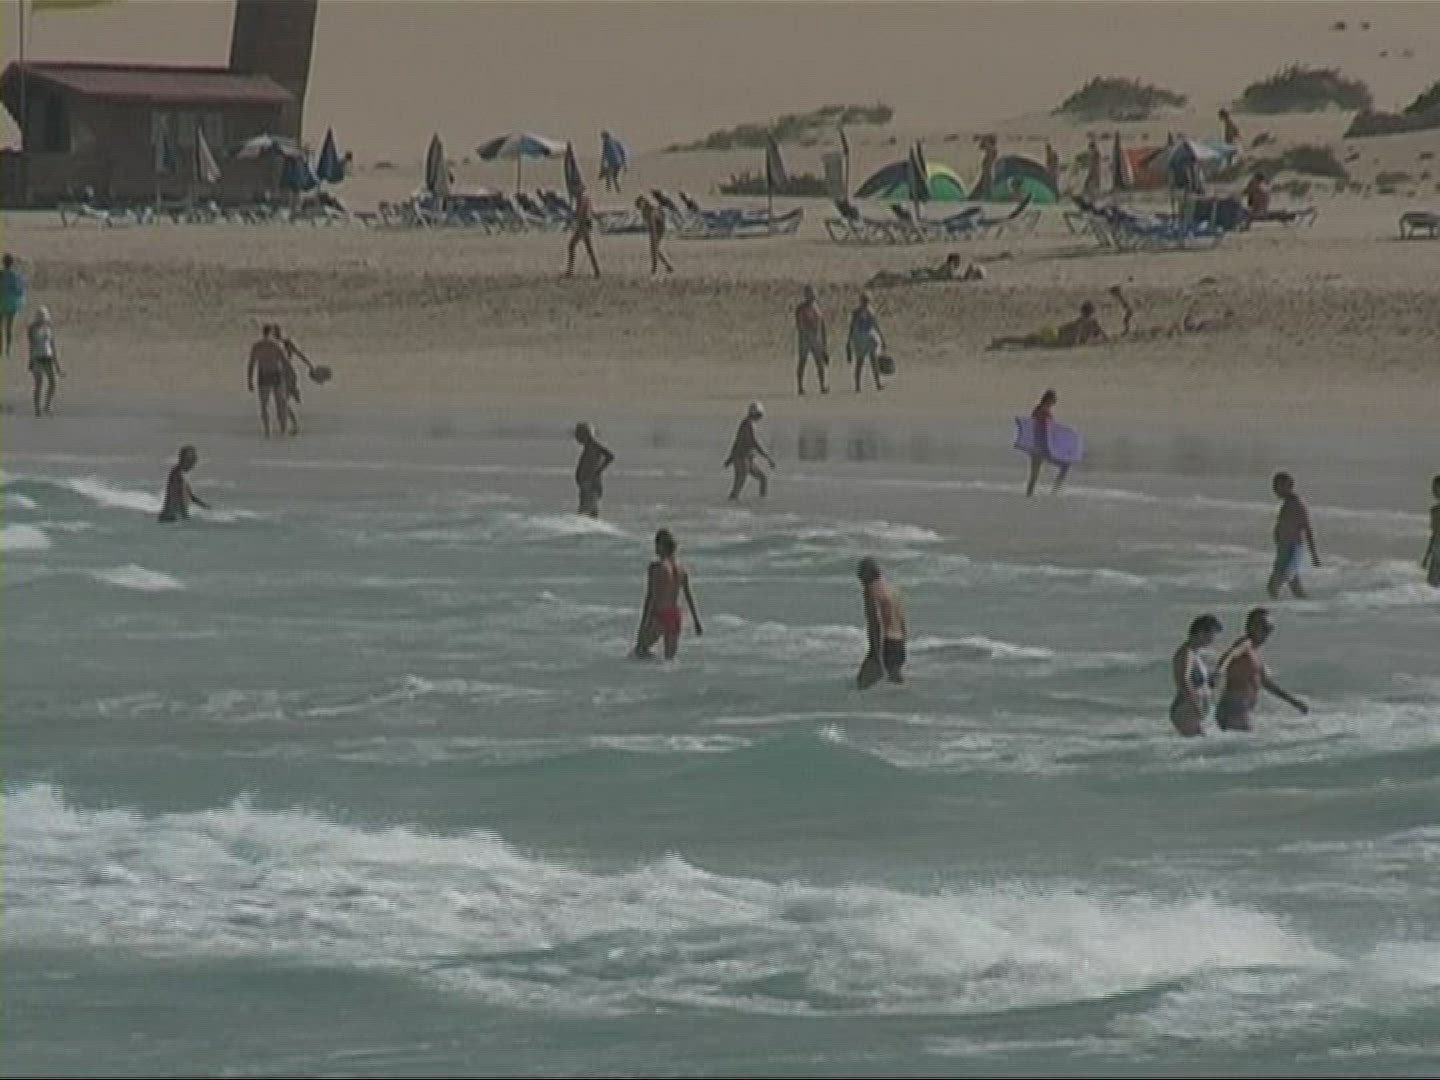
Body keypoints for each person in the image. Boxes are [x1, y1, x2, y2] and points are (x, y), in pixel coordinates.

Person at [1213, 607, 1309, 731]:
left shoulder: (1255, 652)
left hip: (1243, 709)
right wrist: (1219, 671)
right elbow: (1230, 654)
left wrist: (1293, 702)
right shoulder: (1245, 643)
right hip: (1234, 707)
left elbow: (1266, 683)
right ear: (1249, 626)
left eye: (1270, 628)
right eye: (1263, 627)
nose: (1267, 632)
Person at [633, 528, 702, 660]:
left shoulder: (656, 567)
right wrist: (696, 621)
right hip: (675, 616)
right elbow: (688, 596)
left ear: (661, 546)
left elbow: (651, 597)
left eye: (656, 544)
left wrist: (644, 624)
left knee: (640, 651)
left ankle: (651, 667)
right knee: (669, 661)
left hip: (660, 615)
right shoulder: (681, 569)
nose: (655, 548)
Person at [856, 557, 908, 689]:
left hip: (885, 643)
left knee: (862, 684)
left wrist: (875, 653)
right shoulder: (893, 590)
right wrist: (903, 642)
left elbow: (876, 623)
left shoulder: (871, 591)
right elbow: (902, 619)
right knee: (896, 682)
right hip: (899, 642)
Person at [1267, 472, 1320, 599]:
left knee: (1274, 585)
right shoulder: (1287, 504)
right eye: (1275, 486)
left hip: (1291, 549)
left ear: (1289, 486)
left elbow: (1307, 529)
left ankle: (1277, 607)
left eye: (1279, 486)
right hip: (1285, 549)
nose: (1275, 490)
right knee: (1294, 586)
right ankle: (1307, 607)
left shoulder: (1296, 505)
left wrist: (1314, 555)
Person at [1170, 614, 1222, 736]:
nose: (1213, 639)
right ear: (1201, 632)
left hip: (1193, 708)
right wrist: (1195, 706)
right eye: (1212, 634)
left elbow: (1197, 682)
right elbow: (1183, 681)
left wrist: (1211, 680)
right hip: (1187, 708)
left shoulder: (1195, 653)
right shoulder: (1186, 653)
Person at [989, 300, 1106, 351]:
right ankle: (1000, 340)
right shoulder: (1089, 324)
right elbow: (1073, 341)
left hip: (1054, 334)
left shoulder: (1083, 323)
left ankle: (1000, 340)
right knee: (1026, 340)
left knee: (1025, 340)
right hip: (1054, 337)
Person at [246, 324, 293, 438]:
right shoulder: (276, 345)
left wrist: (249, 380)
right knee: (281, 403)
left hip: (264, 375)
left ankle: (267, 431)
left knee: (264, 405)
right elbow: (285, 362)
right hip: (276, 374)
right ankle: (283, 430)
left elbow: (251, 364)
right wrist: (290, 377)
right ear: (271, 333)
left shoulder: (257, 346)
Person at [1024, 388, 1071, 496]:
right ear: (1049, 399)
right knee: (1064, 465)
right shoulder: (1043, 411)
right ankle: (1054, 491)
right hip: (1043, 447)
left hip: (1038, 446)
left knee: (1034, 474)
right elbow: (1045, 429)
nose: (1056, 400)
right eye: (1054, 398)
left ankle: (1030, 494)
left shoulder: (1039, 410)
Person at [724, 401, 774, 500]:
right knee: (740, 482)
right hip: (742, 457)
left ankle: (762, 500)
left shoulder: (747, 423)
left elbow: (737, 441)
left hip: (748, 458)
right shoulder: (749, 424)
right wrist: (767, 457)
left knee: (763, 478)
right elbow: (753, 442)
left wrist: (730, 458)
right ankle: (732, 501)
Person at [273, 324, 316, 435]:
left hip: (287, 374)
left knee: (282, 401)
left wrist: (310, 365)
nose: (275, 334)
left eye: (276, 332)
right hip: (278, 375)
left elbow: (299, 354)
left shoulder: (286, 343)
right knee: (280, 402)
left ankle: (293, 424)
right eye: (274, 332)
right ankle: (285, 426)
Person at [865, 252, 985, 289]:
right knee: (901, 278)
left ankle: (881, 277)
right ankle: (881, 276)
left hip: (926, 274)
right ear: (953, 262)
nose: (959, 264)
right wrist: (970, 273)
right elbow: (952, 277)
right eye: (957, 262)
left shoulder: (949, 268)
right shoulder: (949, 268)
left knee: (900, 277)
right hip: (925, 275)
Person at [157, 445, 209, 523]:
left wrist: (203, 505)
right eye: (190, 461)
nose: (193, 464)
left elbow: (189, 495)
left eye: (194, 460)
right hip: (171, 516)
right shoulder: (176, 474)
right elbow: (175, 495)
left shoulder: (181, 474)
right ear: (182, 460)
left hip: (173, 515)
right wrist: (184, 515)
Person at [573, 421, 615, 517]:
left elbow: (610, 456)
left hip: (591, 482)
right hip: (586, 481)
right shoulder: (588, 447)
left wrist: (598, 471)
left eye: (578, 435)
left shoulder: (594, 446)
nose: (577, 438)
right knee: (589, 508)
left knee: (586, 509)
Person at [847, 292, 887, 392]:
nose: (865, 303)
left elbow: (876, 326)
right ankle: (857, 386)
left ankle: (878, 383)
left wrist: (882, 338)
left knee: (874, 361)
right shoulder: (856, 313)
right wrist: (849, 341)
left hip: (869, 337)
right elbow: (851, 327)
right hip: (859, 338)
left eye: (867, 301)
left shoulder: (871, 312)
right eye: (864, 300)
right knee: (860, 362)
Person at [27, 306, 61, 417]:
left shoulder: (48, 328)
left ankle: (47, 405)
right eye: (40, 316)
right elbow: (31, 346)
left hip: (48, 357)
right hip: (37, 357)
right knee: (39, 383)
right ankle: (37, 409)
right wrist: (31, 360)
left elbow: (52, 345)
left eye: (44, 316)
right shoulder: (32, 329)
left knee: (53, 382)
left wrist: (57, 365)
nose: (42, 318)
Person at [794, 285, 828, 395]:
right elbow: (799, 324)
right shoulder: (801, 308)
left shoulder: (817, 308)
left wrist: (823, 341)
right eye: (809, 293)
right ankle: (800, 386)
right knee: (802, 361)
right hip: (805, 338)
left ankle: (822, 385)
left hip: (816, 338)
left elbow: (822, 324)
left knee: (819, 362)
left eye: (813, 293)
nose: (812, 296)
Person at [565, 185, 601, 278]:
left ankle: (570, 271)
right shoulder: (586, 197)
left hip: (583, 225)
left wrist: (576, 222)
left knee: (574, 246)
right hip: (585, 225)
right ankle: (596, 270)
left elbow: (580, 213)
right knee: (584, 248)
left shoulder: (581, 198)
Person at [636, 194, 673, 275]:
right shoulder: (646, 210)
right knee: (657, 249)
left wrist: (654, 237)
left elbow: (655, 224)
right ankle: (668, 266)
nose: (640, 207)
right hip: (657, 227)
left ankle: (655, 269)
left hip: (660, 228)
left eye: (641, 203)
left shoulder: (651, 210)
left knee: (655, 249)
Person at [1, 253, 25, 357]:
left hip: (1, 302)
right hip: (11, 303)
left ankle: (1, 348)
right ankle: (8, 348)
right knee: (9, 327)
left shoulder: (1, 274)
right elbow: (20, 290)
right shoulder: (16, 275)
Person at [1422, 474, 1440, 587]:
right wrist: (1427, 556)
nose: (1435, 492)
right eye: (1434, 488)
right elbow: (1434, 534)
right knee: (1432, 584)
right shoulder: (1434, 511)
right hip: (1436, 551)